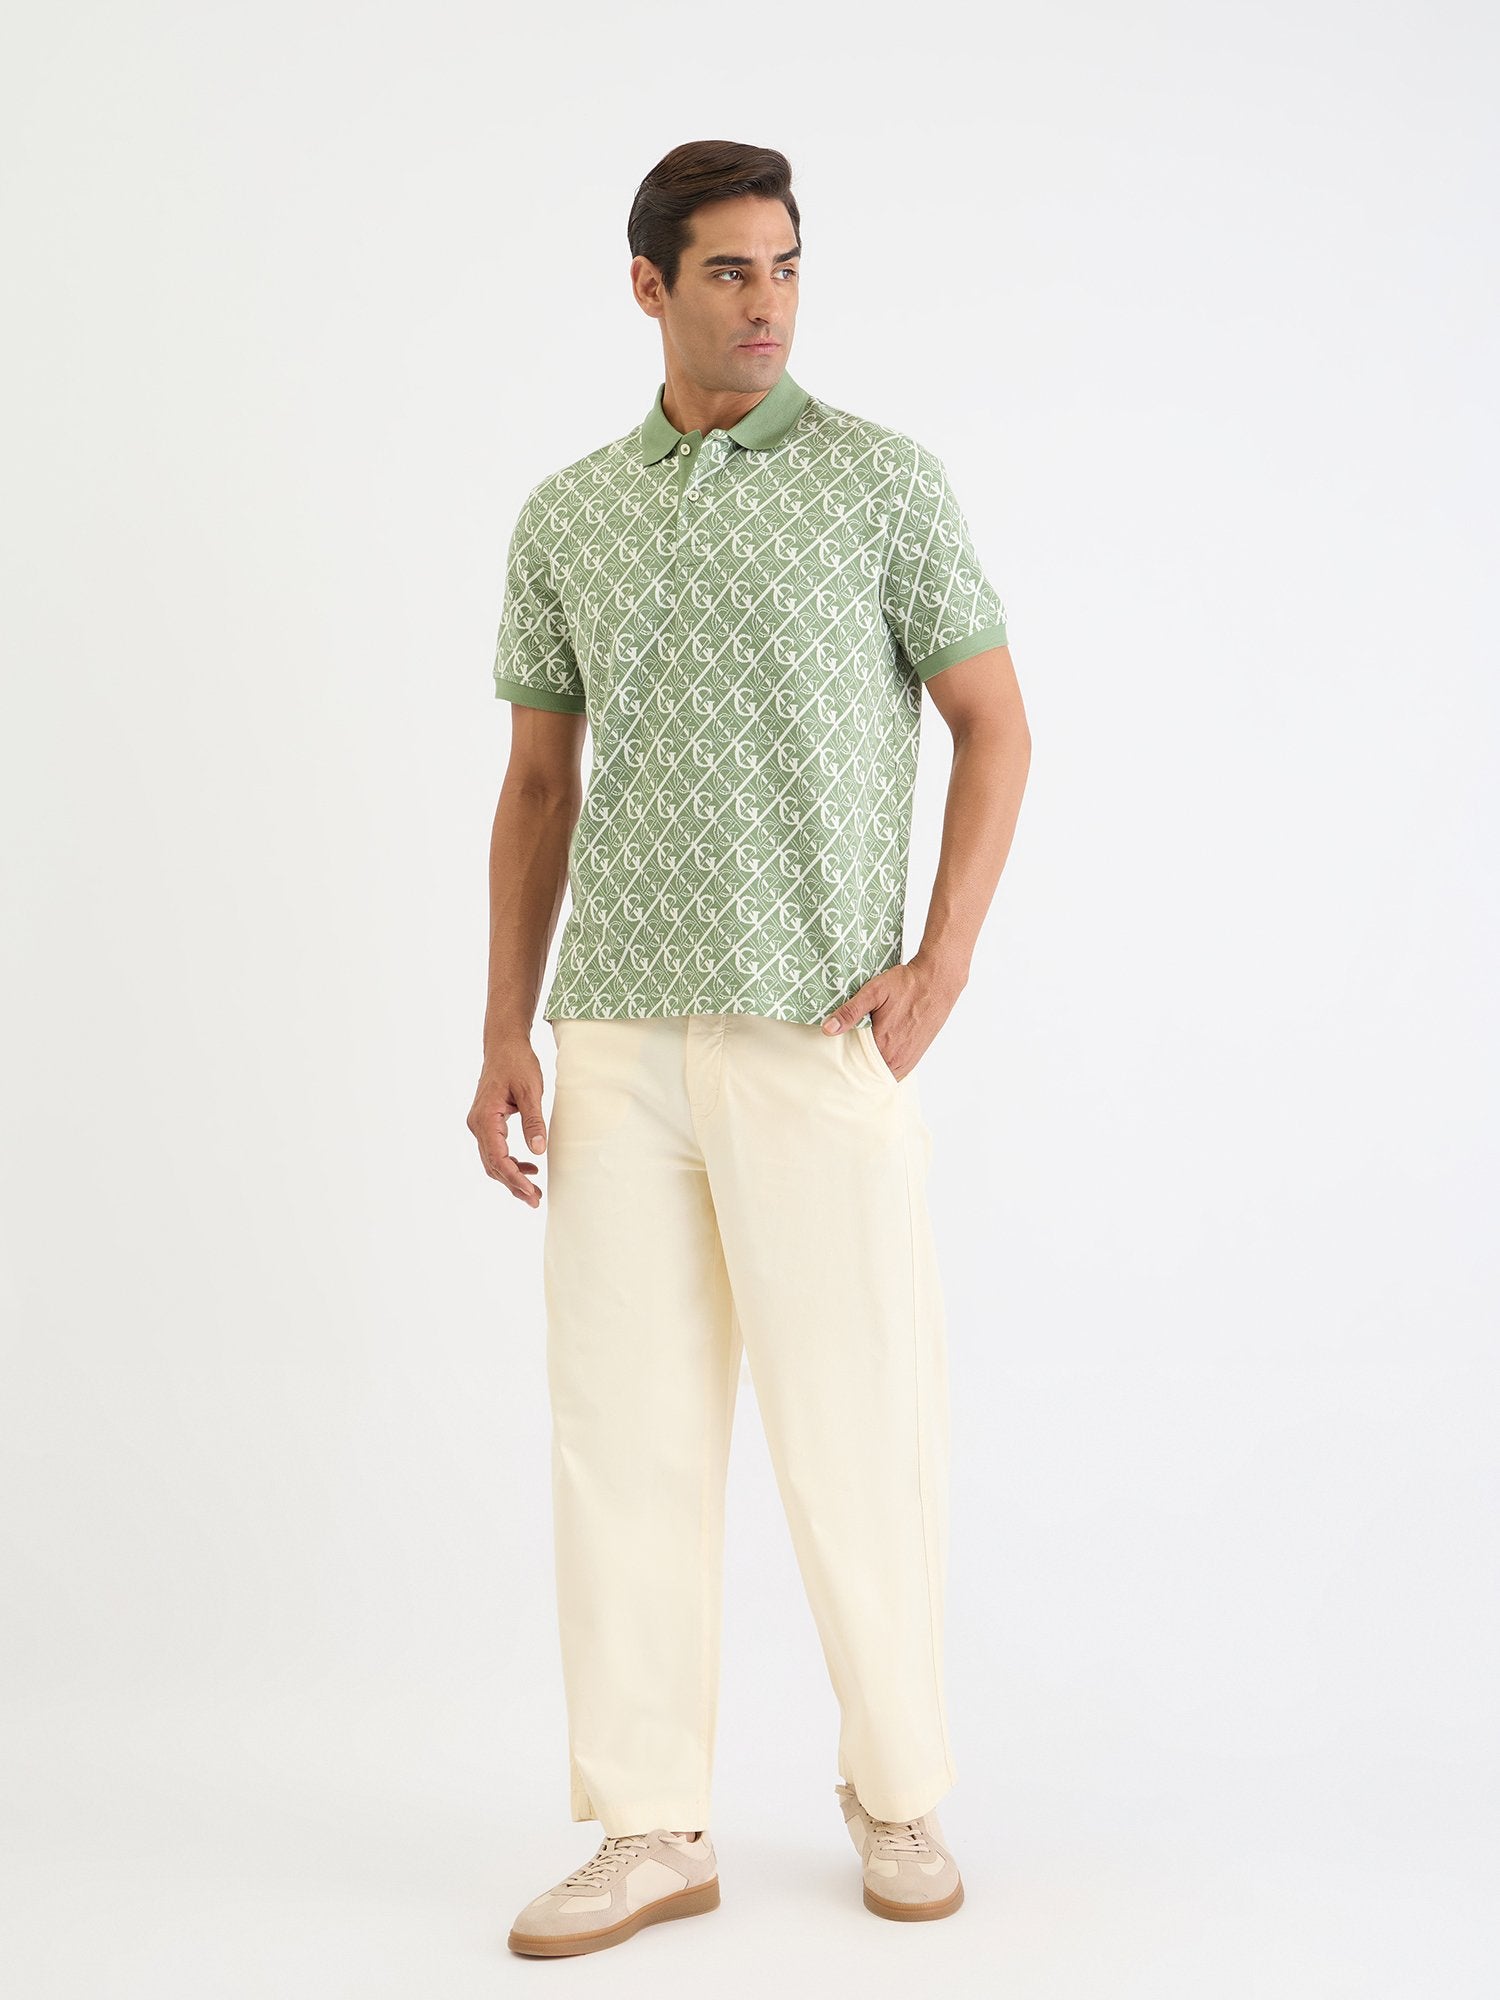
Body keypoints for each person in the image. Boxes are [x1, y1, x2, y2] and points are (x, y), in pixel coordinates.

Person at [469, 137, 1031, 1958]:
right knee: (622, 1437)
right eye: (727, 270)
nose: (766, 301)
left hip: (812, 1027)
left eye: (784, 265)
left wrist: (942, 960)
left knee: (859, 1424)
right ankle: (651, 1829)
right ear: (650, 286)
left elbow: (995, 723)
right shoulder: (571, 513)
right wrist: (505, 1027)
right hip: (618, 1036)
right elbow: (537, 785)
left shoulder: (880, 483)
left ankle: (898, 1788)